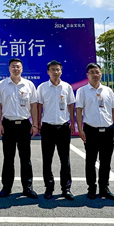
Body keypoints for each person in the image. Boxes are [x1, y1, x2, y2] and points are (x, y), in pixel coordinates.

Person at [0, 58, 39, 199]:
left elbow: (33, 106)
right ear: (9, 69)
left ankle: (28, 188)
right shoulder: (1, 85)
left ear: (22, 69)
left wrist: (35, 124)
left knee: (25, 158)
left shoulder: (29, 85)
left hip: (24, 125)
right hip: (8, 125)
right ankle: (6, 187)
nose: (16, 69)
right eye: (13, 66)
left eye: (18, 67)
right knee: (8, 158)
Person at [76, 63, 114, 200]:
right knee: (90, 161)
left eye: (97, 72)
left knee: (106, 161)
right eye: (92, 72)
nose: (95, 75)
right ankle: (91, 187)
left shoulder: (108, 90)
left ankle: (104, 188)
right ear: (87, 75)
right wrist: (80, 129)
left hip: (108, 129)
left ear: (101, 74)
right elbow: (79, 110)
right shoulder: (82, 91)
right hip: (91, 130)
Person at [37, 60, 76, 200]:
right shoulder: (42, 87)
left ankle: (66, 188)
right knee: (47, 160)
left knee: (65, 160)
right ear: (48, 72)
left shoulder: (67, 87)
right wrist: (37, 123)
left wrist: (73, 122)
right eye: (52, 69)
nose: (55, 72)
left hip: (63, 127)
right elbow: (39, 106)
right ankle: (49, 188)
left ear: (61, 71)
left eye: (58, 69)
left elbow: (71, 105)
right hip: (47, 127)